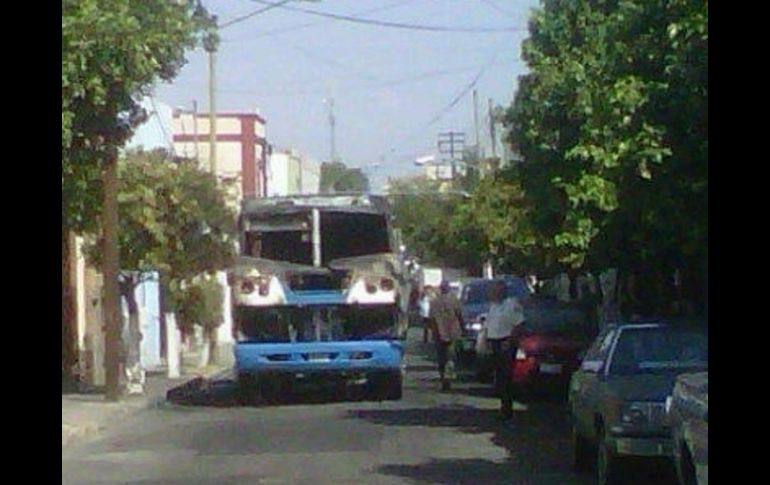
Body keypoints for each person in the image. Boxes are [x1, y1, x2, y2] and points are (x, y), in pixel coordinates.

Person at [482, 279, 524, 422]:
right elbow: (489, 325)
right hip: (494, 342)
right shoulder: (493, 306)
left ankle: (507, 410)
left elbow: (518, 324)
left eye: (495, 290)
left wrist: (510, 341)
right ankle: (503, 406)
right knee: (499, 377)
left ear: (502, 291)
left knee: (506, 376)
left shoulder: (512, 304)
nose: (492, 293)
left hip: (505, 342)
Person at [428, 281, 464, 391]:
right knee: (450, 357)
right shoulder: (454, 300)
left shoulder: (434, 302)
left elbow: (431, 319)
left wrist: (432, 332)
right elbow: (459, 315)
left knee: (441, 358)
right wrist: (463, 328)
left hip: (439, 332)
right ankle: (448, 377)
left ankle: (444, 378)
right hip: (452, 332)